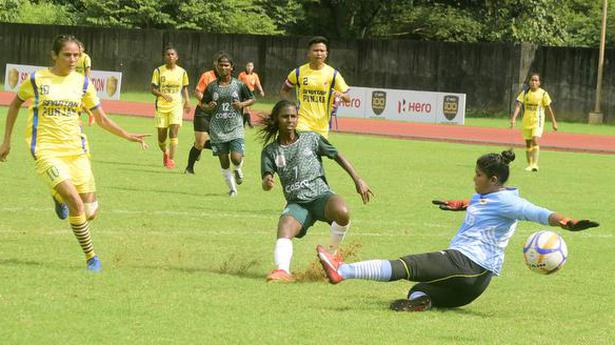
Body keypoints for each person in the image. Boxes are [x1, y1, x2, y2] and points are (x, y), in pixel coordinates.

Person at [317, 150, 599, 311]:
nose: (473, 178)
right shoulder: (486, 195)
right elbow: (478, 202)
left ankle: (343, 271)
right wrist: (459, 204)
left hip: (468, 263)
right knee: (417, 289)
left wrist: (568, 222)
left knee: (407, 265)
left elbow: (539, 213)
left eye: (477, 175)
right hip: (471, 288)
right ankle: (423, 304)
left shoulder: (511, 201)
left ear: (493, 179)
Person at [0, 34, 149, 272]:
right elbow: (16, 103)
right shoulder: (38, 79)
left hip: (77, 152)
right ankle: (92, 257)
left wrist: (127, 135)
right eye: (67, 55)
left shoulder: (83, 83)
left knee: (90, 212)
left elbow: (100, 118)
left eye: (76, 55)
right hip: (46, 149)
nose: (72, 59)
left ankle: (57, 197)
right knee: (77, 206)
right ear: (54, 55)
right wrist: (6, 141)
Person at [260, 100, 373, 282]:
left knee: (342, 212)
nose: (290, 120)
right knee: (284, 227)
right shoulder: (270, 151)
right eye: (285, 117)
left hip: (321, 197)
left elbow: (337, 156)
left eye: (293, 116)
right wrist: (267, 182)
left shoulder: (311, 139)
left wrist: (357, 179)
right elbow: (266, 179)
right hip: (297, 203)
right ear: (276, 119)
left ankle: (331, 255)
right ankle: (282, 271)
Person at [201, 53, 255, 196]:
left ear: (232, 67)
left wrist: (242, 104)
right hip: (217, 128)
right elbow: (203, 104)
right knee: (224, 162)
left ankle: (237, 169)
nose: (223, 67)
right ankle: (232, 190)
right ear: (217, 67)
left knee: (236, 158)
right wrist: (209, 107)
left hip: (235, 126)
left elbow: (252, 99)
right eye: (221, 65)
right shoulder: (212, 86)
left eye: (226, 65)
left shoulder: (239, 84)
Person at [280, 36, 350, 138]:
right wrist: (291, 107)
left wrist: (341, 95)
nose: (319, 53)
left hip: (322, 124)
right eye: (315, 50)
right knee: (303, 150)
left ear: (326, 54)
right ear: (308, 53)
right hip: (302, 122)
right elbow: (284, 91)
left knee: (315, 154)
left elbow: (348, 99)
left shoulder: (333, 74)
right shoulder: (298, 72)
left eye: (322, 51)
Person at [150, 45, 191, 169]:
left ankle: (171, 159)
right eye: (168, 54)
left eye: (172, 54)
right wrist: (162, 95)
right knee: (161, 137)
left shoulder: (182, 72)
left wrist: (188, 101)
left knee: (173, 132)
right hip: (161, 106)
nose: (170, 56)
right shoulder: (158, 71)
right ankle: (166, 152)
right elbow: (152, 89)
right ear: (165, 57)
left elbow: (185, 87)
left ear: (177, 57)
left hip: (176, 105)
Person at [510, 73, 558, 172]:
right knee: (528, 143)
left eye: (536, 80)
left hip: (538, 121)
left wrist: (553, 122)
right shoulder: (525, 92)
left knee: (535, 140)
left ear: (539, 83)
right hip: (526, 121)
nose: (534, 82)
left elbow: (548, 108)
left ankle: (535, 164)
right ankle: (530, 164)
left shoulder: (543, 93)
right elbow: (519, 106)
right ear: (529, 81)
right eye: (532, 80)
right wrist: (514, 118)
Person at [184, 55, 220, 174]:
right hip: (203, 112)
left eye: (225, 65)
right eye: (219, 63)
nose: (221, 66)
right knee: (200, 143)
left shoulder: (229, 80)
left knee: (220, 143)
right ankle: (189, 168)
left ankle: (199, 146)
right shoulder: (207, 76)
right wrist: (207, 102)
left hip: (218, 115)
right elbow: (197, 92)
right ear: (215, 63)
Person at [74, 40, 95, 126]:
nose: (78, 49)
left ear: (83, 48)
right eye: (77, 47)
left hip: (82, 83)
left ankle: (85, 116)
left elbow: (88, 70)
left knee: (78, 101)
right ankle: (90, 114)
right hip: (73, 83)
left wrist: (86, 83)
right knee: (76, 101)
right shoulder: (74, 57)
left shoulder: (86, 58)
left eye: (80, 47)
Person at [238, 62, 264, 128]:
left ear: (253, 67)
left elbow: (258, 83)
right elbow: (237, 83)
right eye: (248, 66)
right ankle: (249, 124)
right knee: (246, 108)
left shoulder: (255, 75)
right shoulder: (242, 74)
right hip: (243, 93)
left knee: (247, 109)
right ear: (246, 67)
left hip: (251, 93)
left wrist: (261, 91)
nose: (249, 67)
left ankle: (243, 124)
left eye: (251, 66)